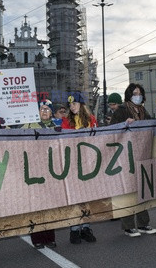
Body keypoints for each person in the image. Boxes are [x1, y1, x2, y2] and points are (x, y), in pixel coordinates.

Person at [110, 83, 156, 237]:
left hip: (142, 155)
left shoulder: (143, 111)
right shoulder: (122, 110)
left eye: (140, 93)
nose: (138, 96)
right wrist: (125, 125)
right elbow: (112, 130)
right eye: (135, 93)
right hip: (126, 156)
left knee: (142, 189)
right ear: (129, 95)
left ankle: (144, 223)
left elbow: (151, 126)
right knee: (128, 192)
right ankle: (128, 226)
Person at [62, 92, 97, 244]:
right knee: (74, 197)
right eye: (70, 104)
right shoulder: (66, 121)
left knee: (87, 197)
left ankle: (86, 228)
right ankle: (74, 229)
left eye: (74, 103)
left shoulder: (91, 120)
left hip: (88, 163)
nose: (72, 106)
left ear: (81, 105)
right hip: (73, 164)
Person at [21, 99, 57, 249]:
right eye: (41, 109)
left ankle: (49, 237)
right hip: (34, 169)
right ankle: (37, 238)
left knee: (50, 204)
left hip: (50, 171)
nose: (44, 112)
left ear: (51, 112)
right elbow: (14, 134)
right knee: (36, 205)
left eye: (47, 109)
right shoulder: (29, 125)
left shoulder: (56, 127)